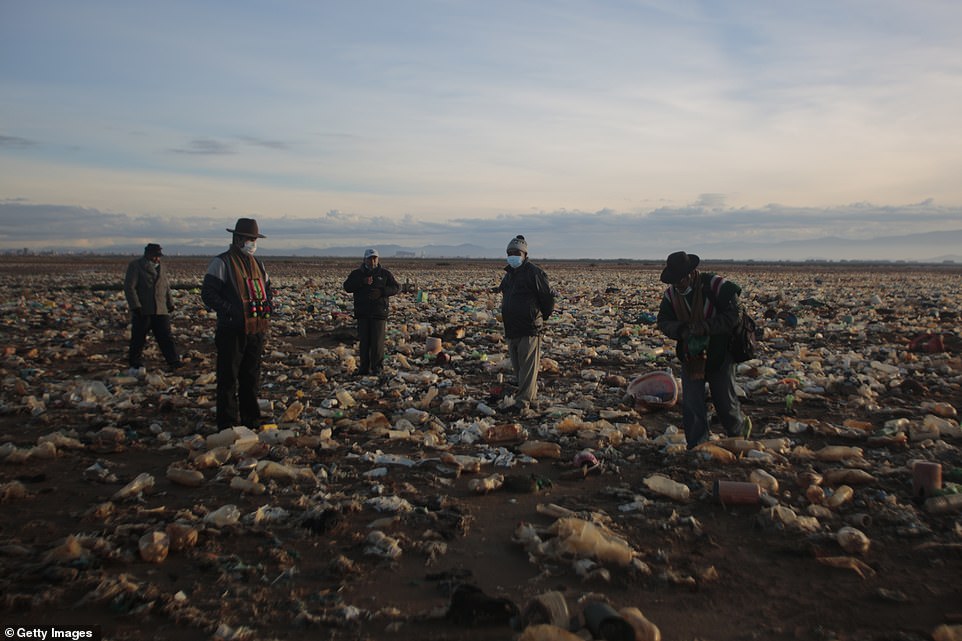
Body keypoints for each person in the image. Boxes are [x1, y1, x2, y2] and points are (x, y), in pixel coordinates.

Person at [656, 251, 750, 449]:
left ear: (691, 274)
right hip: (692, 356)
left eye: (681, 279)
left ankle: (738, 435)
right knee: (692, 403)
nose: (679, 284)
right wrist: (682, 330)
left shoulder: (716, 286)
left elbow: (735, 315)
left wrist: (705, 327)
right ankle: (698, 446)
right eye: (675, 281)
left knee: (725, 401)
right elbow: (663, 321)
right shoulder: (672, 295)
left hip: (720, 353)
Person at [201, 218, 273, 429]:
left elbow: (266, 290)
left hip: (256, 329)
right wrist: (231, 311)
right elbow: (208, 293)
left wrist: (268, 305)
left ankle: (251, 418)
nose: (252, 242)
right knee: (228, 378)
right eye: (249, 239)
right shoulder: (222, 262)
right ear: (237, 238)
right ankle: (228, 422)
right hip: (232, 330)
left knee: (251, 376)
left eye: (254, 239)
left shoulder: (258, 264)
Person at [495, 234, 555, 405]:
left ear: (525, 255)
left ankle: (523, 402)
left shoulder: (534, 273)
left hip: (529, 327)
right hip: (512, 327)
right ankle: (530, 397)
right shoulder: (509, 275)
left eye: (516, 253)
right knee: (519, 368)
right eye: (510, 252)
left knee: (528, 368)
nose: (513, 255)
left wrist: (541, 317)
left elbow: (547, 298)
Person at [123, 243, 180, 375]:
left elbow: (166, 286)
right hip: (144, 309)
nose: (157, 259)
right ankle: (134, 362)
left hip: (161, 309)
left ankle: (174, 361)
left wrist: (170, 303)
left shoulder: (162, 267)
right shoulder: (136, 266)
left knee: (166, 337)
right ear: (148, 254)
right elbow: (129, 287)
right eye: (155, 256)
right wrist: (135, 306)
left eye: (159, 256)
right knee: (138, 338)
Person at [343, 248, 400, 375]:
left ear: (378, 259)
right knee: (364, 343)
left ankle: (377, 369)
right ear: (364, 260)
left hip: (379, 313)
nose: (372, 260)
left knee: (377, 343)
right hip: (363, 313)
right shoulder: (357, 274)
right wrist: (362, 282)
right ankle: (364, 368)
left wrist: (382, 292)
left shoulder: (384, 274)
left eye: (375, 258)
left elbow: (396, 287)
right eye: (370, 258)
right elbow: (347, 287)